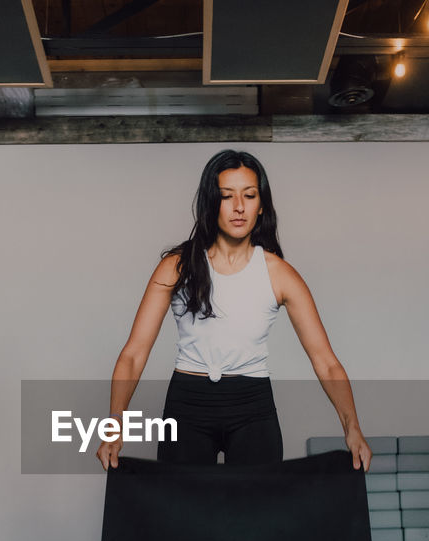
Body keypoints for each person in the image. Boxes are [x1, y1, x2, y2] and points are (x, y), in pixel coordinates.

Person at [95, 150, 371, 471]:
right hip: (188, 405)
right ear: (212, 203)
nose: (239, 206)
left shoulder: (280, 274)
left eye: (249, 195)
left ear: (261, 204)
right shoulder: (176, 267)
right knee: (182, 516)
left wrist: (352, 428)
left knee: (255, 516)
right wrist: (114, 425)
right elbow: (134, 353)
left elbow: (326, 362)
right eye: (227, 196)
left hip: (252, 405)